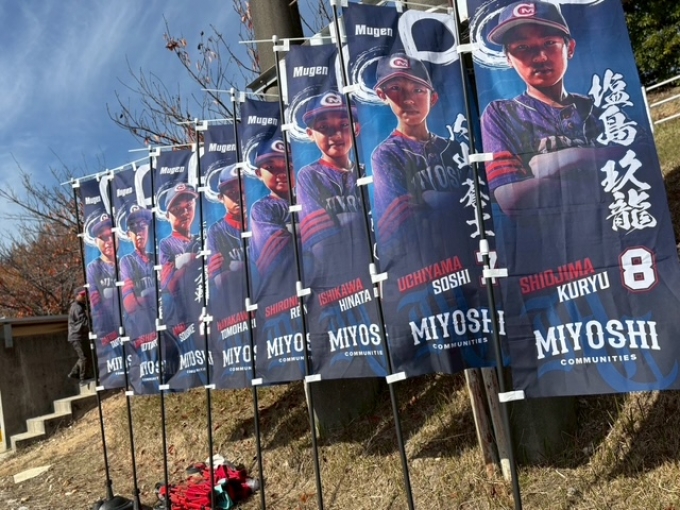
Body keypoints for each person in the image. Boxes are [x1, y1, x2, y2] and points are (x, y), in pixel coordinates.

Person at [480, 0, 625, 216]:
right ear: (508, 58)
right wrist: (600, 168)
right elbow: (511, 199)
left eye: (549, 43)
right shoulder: (500, 114)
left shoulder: (599, 108)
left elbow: (640, 160)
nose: (540, 57)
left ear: (570, 48)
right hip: (550, 235)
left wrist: (574, 158)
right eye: (522, 48)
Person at [371, 52, 470, 258]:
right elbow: (400, 224)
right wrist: (451, 201)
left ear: (432, 98)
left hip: (467, 252)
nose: (408, 99)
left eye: (418, 90)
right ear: (382, 95)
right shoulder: (385, 154)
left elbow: (472, 202)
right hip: (423, 261)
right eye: (396, 89)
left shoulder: (452, 148)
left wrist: (430, 198)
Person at [297, 90, 367, 282]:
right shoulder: (309, 176)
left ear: (356, 128)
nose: (336, 135)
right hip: (341, 280)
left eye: (344, 125)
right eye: (324, 127)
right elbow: (321, 244)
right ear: (310, 134)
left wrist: (344, 221)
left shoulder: (367, 171)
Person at [249, 137, 295, 284]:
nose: (282, 173)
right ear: (259, 174)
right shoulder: (262, 209)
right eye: (270, 167)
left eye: (288, 166)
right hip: (284, 287)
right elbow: (276, 259)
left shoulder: (309, 194)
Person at [158, 182, 201, 326]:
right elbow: (169, 283)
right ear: (167, 215)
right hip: (183, 318)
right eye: (177, 209)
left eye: (189, 205)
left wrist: (183, 265)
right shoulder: (166, 245)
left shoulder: (201, 239)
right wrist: (191, 259)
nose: (185, 212)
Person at [119, 205, 156, 344]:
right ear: (129, 234)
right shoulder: (126, 262)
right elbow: (130, 303)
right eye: (133, 228)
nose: (139, 232)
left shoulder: (158, 257)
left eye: (142, 226)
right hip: (142, 332)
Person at [207, 164, 246, 293]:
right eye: (232, 193)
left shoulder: (262, 217)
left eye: (244, 190)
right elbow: (220, 280)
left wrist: (236, 267)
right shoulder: (216, 231)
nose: (240, 198)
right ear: (221, 198)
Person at [85, 213, 120, 346]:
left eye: (112, 235)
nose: (109, 241)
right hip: (109, 334)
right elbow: (96, 304)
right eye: (103, 237)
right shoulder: (93, 268)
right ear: (96, 241)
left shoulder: (127, 263)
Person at [67, 287, 89, 384]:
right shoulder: (76, 307)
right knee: (84, 357)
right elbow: (84, 323)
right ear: (77, 296)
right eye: (83, 295)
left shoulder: (81, 306)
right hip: (77, 336)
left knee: (84, 356)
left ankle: (74, 372)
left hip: (79, 336)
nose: (85, 297)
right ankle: (82, 379)